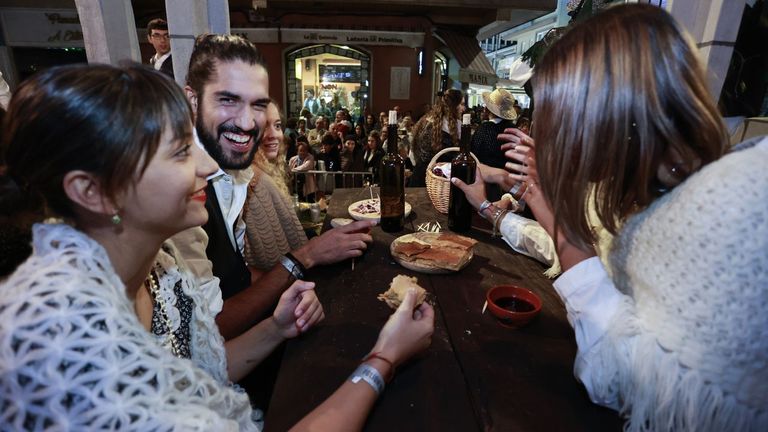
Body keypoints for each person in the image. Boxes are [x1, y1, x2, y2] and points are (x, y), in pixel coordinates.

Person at [0, 62, 435, 432]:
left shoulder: (158, 268)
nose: (208, 167)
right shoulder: (71, 352)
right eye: (179, 153)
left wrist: (277, 328)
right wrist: (384, 358)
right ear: (94, 193)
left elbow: (199, 371)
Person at [453, 4, 767, 431]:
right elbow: (582, 251)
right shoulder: (658, 185)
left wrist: (516, 200)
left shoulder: (725, 213)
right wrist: (524, 198)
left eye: (558, 117)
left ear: (607, 117)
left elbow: (616, 378)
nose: (546, 134)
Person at [174, 34, 373, 342]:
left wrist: (291, 288)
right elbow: (208, 329)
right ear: (193, 99)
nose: (246, 122)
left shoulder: (234, 173)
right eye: (228, 100)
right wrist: (304, 257)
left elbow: (234, 275)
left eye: (258, 105)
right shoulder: (177, 193)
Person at [411, 89, 465, 186]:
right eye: (461, 104)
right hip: (439, 180)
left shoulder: (424, 120)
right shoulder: (457, 126)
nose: (463, 108)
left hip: (419, 176)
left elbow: (413, 151)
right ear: (454, 106)